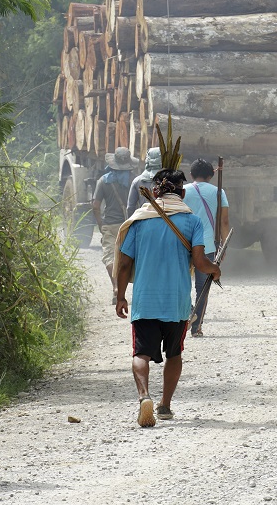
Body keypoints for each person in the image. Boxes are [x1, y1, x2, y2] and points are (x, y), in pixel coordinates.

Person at [114, 168, 221, 426]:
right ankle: (165, 406)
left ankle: (144, 398)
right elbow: (199, 261)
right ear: (182, 193)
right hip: (176, 303)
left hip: (145, 301)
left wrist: (120, 297)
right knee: (174, 355)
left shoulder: (139, 221)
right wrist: (215, 269)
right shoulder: (192, 221)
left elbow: (125, 265)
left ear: (154, 192)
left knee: (141, 353)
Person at [182, 158, 230, 337]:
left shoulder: (183, 191)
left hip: (184, 243)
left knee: (182, 283)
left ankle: (188, 312)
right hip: (207, 245)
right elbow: (224, 221)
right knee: (202, 288)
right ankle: (197, 327)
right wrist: (224, 246)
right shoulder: (218, 192)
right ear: (211, 175)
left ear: (191, 175)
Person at [92, 147, 138, 303]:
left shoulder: (103, 181)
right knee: (127, 257)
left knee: (110, 257)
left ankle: (116, 287)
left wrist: (100, 225)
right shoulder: (134, 180)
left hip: (110, 224)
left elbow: (96, 206)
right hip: (129, 224)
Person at [126, 147, 161, 218]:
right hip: (166, 223)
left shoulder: (137, 181)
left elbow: (130, 208)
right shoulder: (169, 180)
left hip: (143, 220)